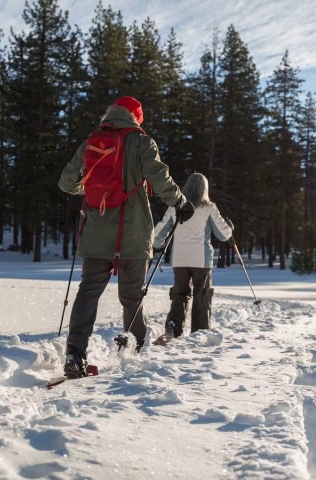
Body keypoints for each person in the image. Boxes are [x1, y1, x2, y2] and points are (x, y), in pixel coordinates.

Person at [58, 96, 193, 378]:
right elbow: (160, 178)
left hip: (95, 234)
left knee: (88, 293)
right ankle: (135, 352)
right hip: (132, 236)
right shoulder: (142, 142)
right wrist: (180, 202)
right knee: (132, 297)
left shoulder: (91, 142)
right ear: (135, 118)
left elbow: (67, 183)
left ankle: (74, 354)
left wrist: (95, 192)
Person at [153, 173, 233, 341]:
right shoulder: (209, 208)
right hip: (201, 261)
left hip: (180, 260)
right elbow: (223, 235)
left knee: (179, 294)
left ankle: (173, 326)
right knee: (201, 295)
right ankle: (200, 332)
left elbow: (160, 232)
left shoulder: (175, 207)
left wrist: (153, 243)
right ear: (205, 189)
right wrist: (230, 227)